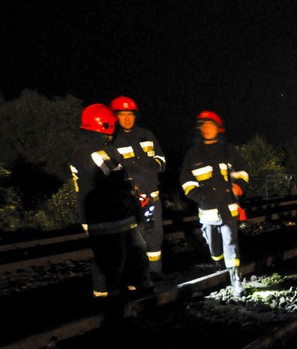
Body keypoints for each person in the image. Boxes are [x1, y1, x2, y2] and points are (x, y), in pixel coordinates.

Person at [69, 103, 152, 299]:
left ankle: (130, 292)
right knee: (112, 261)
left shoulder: (92, 150)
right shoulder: (92, 152)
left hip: (114, 216)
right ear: (104, 125)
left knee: (127, 255)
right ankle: (110, 302)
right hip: (107, 217)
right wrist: (131, 189)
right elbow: (116, 179)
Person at [179, 111, 249, 295]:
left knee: (230, 242)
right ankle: (217, 263)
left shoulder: (229, 150)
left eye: (211, 125)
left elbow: (242, 170)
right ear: (200, 129)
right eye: (204, 126)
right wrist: (199, 196)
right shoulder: (193, 154)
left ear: (218, 128)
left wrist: (239, 186)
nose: (208, 129)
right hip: (207, 209)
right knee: (214, 245)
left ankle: (235, 279)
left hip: (228, 207)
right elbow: (186, 180)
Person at [110, 96, 167, 279]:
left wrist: (153, 165)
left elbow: (162, 160)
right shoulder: (113, 141)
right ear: (116, 117)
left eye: (130, 114)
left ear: (135, 116)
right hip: (130, 200)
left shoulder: (147, 135)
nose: (127, 118)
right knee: (135, 238)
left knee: (154, 236)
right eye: (122, 114)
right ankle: (139, 275)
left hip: (152, 196)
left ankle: (155, 272)